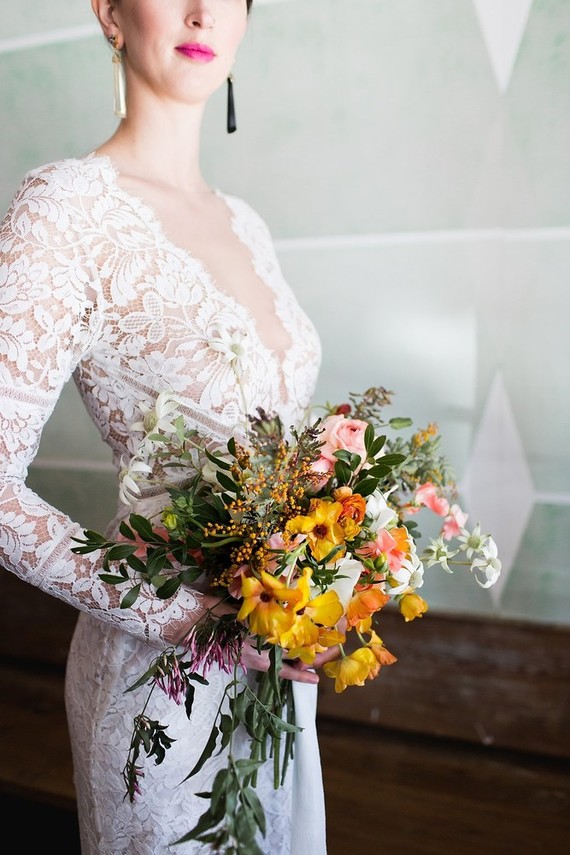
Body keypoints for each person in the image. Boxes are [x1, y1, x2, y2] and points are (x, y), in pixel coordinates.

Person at [0, 1, 339, 852]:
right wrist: (191, 617)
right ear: (109, 13)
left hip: (273, 671)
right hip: (162, 681)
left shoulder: (247, 224)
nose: (200, 10)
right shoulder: (67, 206)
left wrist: (330, 572)